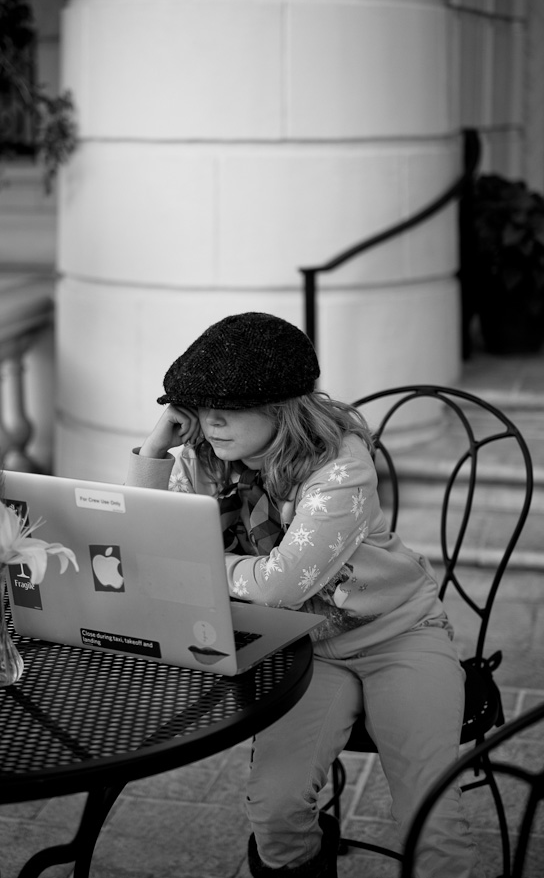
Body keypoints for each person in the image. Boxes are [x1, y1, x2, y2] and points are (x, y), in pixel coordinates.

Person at [126, 311, 483, 878]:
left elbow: (278, 586)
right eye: (196, 405)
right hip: (303, 650)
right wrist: (153, 452)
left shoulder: (340, 465)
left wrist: (195, 565)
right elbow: (152, 546)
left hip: (396, 635)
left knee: (429, 812)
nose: (209, 420)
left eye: (230, 404)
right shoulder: (203, 457)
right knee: (275, 807)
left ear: (281, 407)